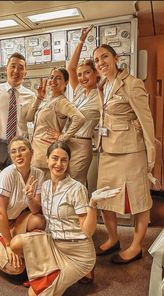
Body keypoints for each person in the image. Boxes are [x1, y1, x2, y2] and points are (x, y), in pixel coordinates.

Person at [10, 141, 120, 296]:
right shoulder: (46, 185)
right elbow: (37, 210)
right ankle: (50, 272)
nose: (59, 164)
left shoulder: (77, 189)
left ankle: (77, 271)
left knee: (33, 294)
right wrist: (29, 198)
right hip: (53, 244)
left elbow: (87, 232)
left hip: (77, 253)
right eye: (54, 158)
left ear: (69, 162)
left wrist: (93, 204)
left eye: (64, 160)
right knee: (15, 244)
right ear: (47, 159)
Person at [93, 44, 156, 263]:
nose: (101, 63)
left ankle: (136, 246)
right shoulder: (102, 85)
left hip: (131, 151)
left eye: (105, 57)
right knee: (105, 199)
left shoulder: (132, 84)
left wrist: (151, 157)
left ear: (116, 58)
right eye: (97, 60)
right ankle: (113, 239)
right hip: (108, 150)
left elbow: (146, 122)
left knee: (137, 199)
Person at [0, 136, 46, 274]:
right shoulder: (8, 174)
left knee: (39, 220)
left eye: (22, 150)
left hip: (10, 223)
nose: (18, 154)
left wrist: (30, 197)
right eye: (13, 151)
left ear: (32, 152)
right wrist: (8, 245)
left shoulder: (38, 174)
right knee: (17, 269)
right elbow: (0, 213)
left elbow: (35, 210)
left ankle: (6, 241)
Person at [26, 67, 86, 180]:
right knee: (36, 194)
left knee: (46, 193)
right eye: (52, 77)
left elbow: (80, 118)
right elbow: (29, 117)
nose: (53, 81)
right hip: (36, 155)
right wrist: (39, 97)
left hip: (46, 156)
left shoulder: (61, 102)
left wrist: (63, 137)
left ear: (66, 82)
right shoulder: (48, 100)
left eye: (58, 78)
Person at [0, 52, 36, 170]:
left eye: (20, 68)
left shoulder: (31, 96)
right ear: (6, 69)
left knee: (21, 181)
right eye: (13, 66)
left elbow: (36, 121)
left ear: (25, 73)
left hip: (22, 146)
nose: (16, 71)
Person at [67, 25, 100, 184]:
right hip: (67, 141)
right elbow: (71, 68)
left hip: (82, 144)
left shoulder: (101, 95)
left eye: (87, 72)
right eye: (80, 75)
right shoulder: (79, 90)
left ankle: (81, 209)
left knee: (75, 182)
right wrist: (81, 41)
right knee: (65, 181)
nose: (82, 77)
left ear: (96, 73)